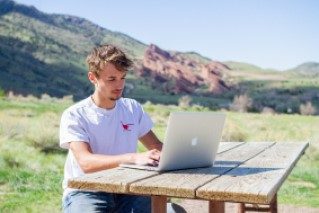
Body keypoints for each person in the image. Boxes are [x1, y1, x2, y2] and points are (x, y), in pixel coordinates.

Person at [59, 44, 164, 212]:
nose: (119, 85)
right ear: (93, 77)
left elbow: (157, 147)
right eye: (111, 79)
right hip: (87, 191)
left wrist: (186, 154)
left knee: (169, 209)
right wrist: (134, 158)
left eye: (122, 78)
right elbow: (86, 163)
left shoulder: (132, 108)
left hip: (128, 188)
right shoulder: (75, 114)